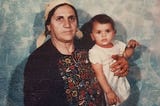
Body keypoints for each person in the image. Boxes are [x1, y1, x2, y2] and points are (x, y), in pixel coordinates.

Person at [24, 0, 130, 106]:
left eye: (71, 18)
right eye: (59, 19)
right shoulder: (39, 61)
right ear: (49, 26)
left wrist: (122, 60)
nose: (67, 24)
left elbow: (110, 53)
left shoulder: (89, 45)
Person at [86, 14, 139, 106]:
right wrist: (108, 91)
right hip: (107, 86)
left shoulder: (117, 44)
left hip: (119, 83)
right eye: (98, 32)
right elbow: (99, 74)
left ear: (114, 32)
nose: (103, 35)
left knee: (123, 101)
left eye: (107, 31)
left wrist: (131, 47)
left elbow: (126, 55)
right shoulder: (95, 52)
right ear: (92, 36)